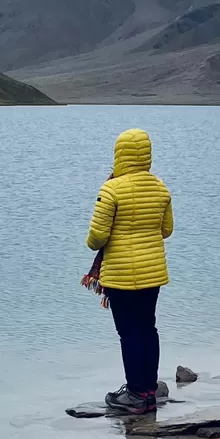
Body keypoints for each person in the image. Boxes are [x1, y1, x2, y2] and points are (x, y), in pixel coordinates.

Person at [85, 127, 173, 415]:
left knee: (128, 333)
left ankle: (135, 394)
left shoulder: (111, 189)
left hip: (121, 275)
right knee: (148, 328)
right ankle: (148, 390)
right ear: (147, 154)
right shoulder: (160, 187)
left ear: (119, 154)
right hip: (152, 272)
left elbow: (96, 239)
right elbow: (166, 230)